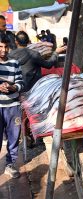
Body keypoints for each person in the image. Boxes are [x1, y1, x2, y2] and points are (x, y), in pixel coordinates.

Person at [0, 32, 24, 178]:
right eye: (0, 47)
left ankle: (10, 164)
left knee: (14, 136)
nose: (3, 50)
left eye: (6, 47)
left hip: (13, 106)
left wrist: (13, 88)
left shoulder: (15, 63)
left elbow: (20, 82)